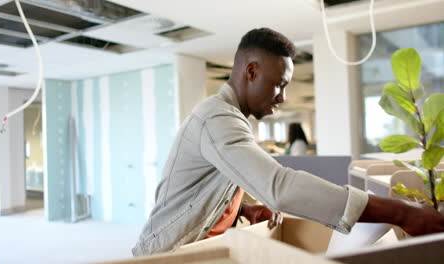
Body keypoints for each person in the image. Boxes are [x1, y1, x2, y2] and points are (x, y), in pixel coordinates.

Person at [132, 28, 444, 256]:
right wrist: (402, 212)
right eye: (279, 85)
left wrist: (246, 207)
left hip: (203, 245)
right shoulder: (216, 118)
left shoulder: (231, 118)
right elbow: (279, 187)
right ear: (251, 71)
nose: (283, 97)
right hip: (166, 254)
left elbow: (217, 181)